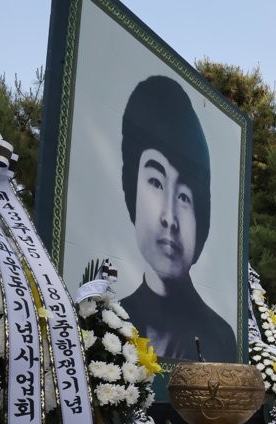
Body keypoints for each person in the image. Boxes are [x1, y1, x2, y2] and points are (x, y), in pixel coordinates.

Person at [118, 75, 236, 361]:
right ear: (132, 186)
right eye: (156, 182)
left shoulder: (221, 338)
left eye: (184, 197)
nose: (169, 218)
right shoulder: (108, 324)